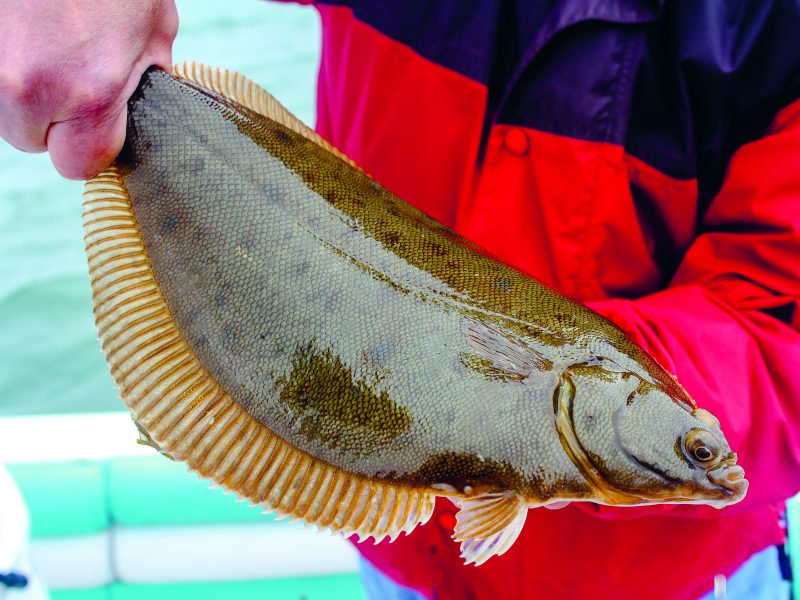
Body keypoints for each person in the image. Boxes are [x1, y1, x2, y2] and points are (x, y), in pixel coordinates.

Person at [1, 1, 798, 598]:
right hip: (401, 569)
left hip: (672, 579)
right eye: (696, 446)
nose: (700, 452)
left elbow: (782, 325)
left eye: (692, 445)